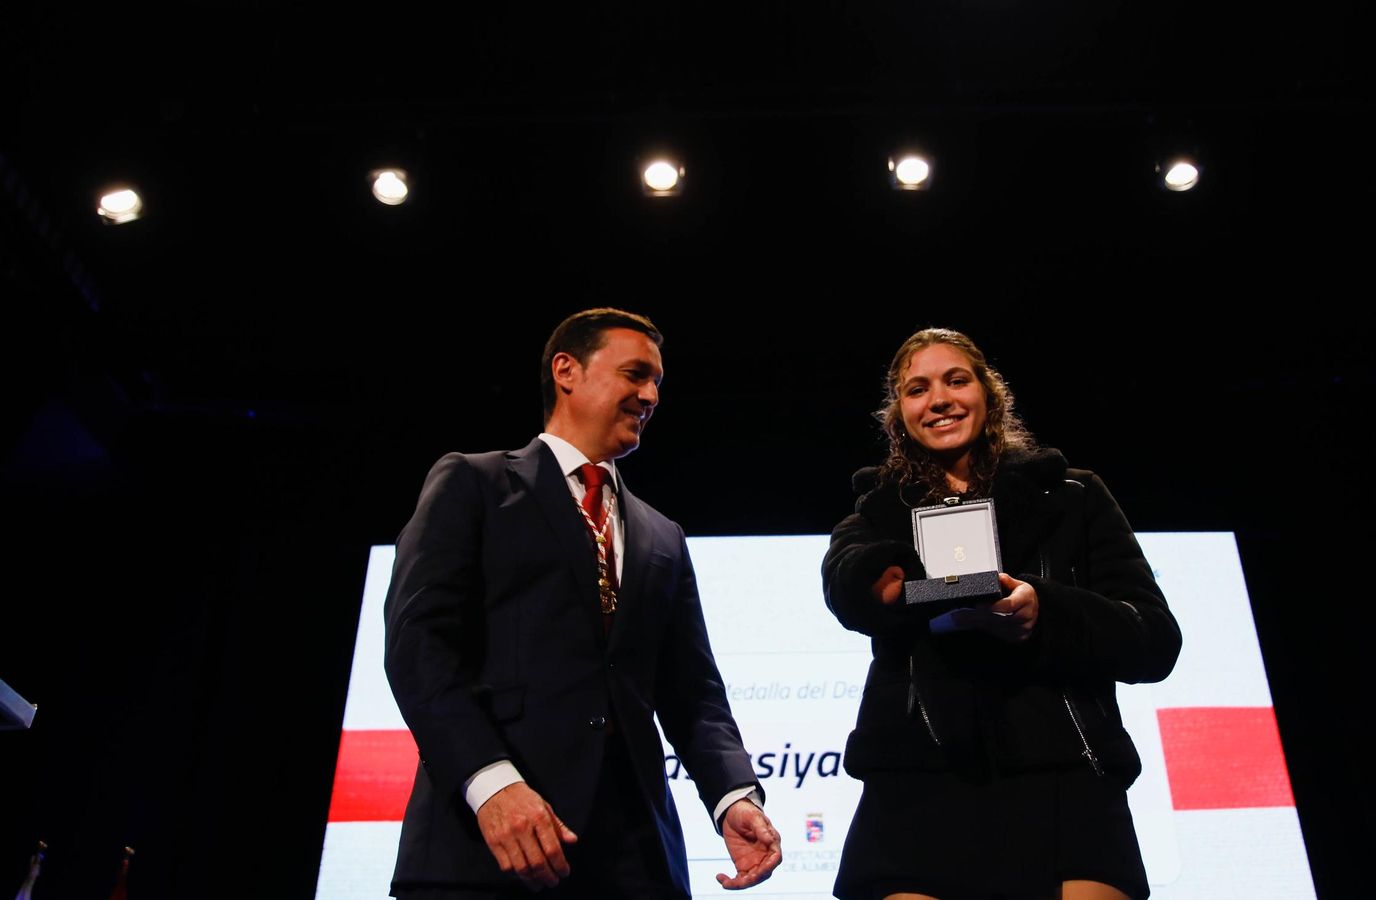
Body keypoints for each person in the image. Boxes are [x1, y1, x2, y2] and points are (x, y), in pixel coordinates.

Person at [384, 308, 782, 899]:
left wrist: (732, 796)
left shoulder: (662, 535)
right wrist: (491, 784)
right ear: (566, 370)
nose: (651, 396)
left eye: (657, 383)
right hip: (486, 845)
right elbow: (419, 648)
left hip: (635, 858)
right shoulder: (474, 483)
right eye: (635, 374)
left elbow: (692, 690)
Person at [821, 327, 1181, 900]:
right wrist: (906, 593)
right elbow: (848, 590)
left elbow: (1153, 640)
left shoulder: (1074, 496)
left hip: (1064, 776)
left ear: (989, 394)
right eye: (918, 389)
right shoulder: (872, 517)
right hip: (918, 784)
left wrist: (1045, 609)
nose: (939, 400)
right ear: (899, 414)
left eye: (955, 380)